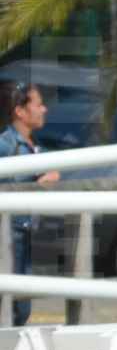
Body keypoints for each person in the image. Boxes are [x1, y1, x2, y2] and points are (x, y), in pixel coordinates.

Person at [0, 81, 61, 325]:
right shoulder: (6, 145)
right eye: (38, 104)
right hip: (7, 235)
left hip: (23, 234)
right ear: (20, 111)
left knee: (20, 308)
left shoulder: (34, 148)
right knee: (14, 306)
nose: (44, 109)